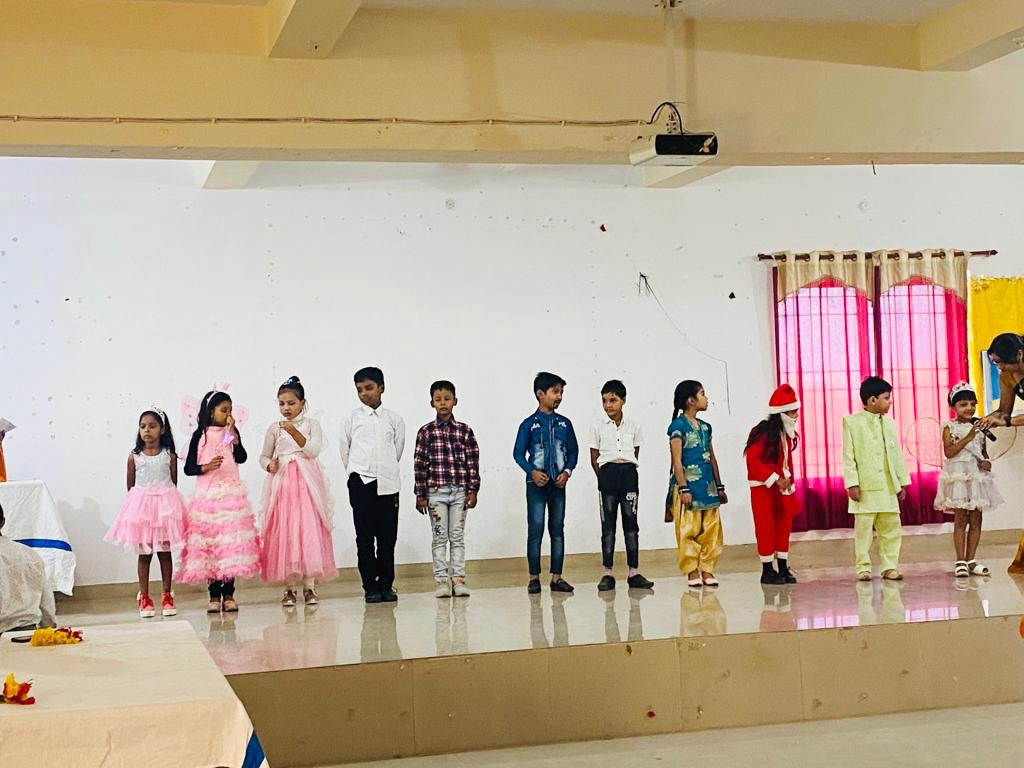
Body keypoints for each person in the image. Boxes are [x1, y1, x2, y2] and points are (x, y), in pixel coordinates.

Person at [179, 390, 261, 612]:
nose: (228, 414)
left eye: (230, 410)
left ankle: (229, 594)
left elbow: (241, 457)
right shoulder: (201, 435)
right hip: (207, 499)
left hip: (230, 498)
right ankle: (214, 594)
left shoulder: (228, 433)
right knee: (211, 546)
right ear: (210, 411)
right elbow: (189, 468)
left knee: (229, 546)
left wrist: (234, 437)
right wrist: (206, 467)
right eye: (224, 410)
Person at [259, 376, 336, 607]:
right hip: (283, 486)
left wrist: (294, 433)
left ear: (302, 403)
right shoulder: (274, 428)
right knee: (287, 532)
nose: (286, 408)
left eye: (291, 403)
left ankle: (309, 586)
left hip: (307, 484)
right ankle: (289, 588)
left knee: (307, 531)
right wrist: (269, 465)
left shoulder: (311, 425)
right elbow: (264, 456)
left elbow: (313, 450)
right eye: (282, 403)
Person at [104, 408, 186, 618]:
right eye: (142, 426)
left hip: (165, 509)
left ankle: (167, 594)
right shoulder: (135, 457)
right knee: (144, 555)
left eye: (152, 426)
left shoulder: (169, 455)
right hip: (142, 511)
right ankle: (145, 596)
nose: (147, 430)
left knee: (165, 553)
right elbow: (131, 486)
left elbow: (173, 483)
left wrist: (165, 503)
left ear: (162, 429)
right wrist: (140, 506)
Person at [340, 367, 406, 604]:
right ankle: (370, 586)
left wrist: (383, 471)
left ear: (381, 388)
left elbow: (397, 450)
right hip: (361, 483)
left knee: (388, 539)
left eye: (369, 388)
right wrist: (357, 474)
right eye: (359, 389)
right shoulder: (351, 419)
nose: (364, 393)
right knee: (365, 538)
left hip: (388, 484)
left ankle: (386, 585)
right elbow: (345, 450)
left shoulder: (394, 420)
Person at [413, 380, 481, 598]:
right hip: (436, 493)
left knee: (457, 536)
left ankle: (458, 579)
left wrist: (473, 490)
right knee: (440, 536)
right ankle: (441, 580)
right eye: (438, 399)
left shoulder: (464, 431)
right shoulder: (426, 432)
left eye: (447, 399)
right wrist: (421, 494)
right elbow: (419, 464)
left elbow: (472, 462)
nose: (443, 403)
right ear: (431, 403)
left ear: (455, 401)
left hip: (460, 492)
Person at [513, 372, 578, 594]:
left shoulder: (565, 424)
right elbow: (518, 453)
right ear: (540, 394)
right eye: (555, 392)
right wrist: (532, 472)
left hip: (558, 486)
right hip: (536, 486)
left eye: (561, 392)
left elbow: (573, 452)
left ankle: (557, 578)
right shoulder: (528, 424)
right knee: (536, 529)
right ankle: (533, 577)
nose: (559, 396)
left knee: (557, 529)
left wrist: (567, 472)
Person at [843, 376, 911, 582]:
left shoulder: (890, 424)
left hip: (888, 487)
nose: (890, 402)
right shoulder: (852, 422)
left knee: (891, 529)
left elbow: (896, 454)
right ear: (872, 400)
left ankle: (889, 567)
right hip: (865, 487)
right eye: (886, 398)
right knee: (863, 532)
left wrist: (901, 482)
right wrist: (852, 483)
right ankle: (863, 568)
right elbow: (848, 456)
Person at [588, 379, 653, 591]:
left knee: (631, 524)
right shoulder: (597, 427)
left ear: (623, 400)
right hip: (607, 475)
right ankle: (607, 573)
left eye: (613, 400)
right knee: (608, 526)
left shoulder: (634, 426)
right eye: (604, 401)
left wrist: (626, 469)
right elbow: (594, 457)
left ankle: (634, 572)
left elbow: (635, 452)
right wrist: (603, 477)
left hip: (628, 476)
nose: (608, 405)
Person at [934, 382, 1002, 578]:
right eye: (963, 404)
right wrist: (968, 436)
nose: (969, 408)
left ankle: (971, 559)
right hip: (959, 477)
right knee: (961, 518)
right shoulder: (949, 427)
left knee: (977, 518)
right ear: (953, 406)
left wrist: (986, 462)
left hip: (976, 477)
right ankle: (960, 560)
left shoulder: (980, 426)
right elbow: (949, 452)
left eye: (973, 404)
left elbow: (983, 453)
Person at [666, 380, 728, 588]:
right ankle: (692, 570)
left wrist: (719, 486)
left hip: (708, 487)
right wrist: (683, 488)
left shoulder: (706, 427)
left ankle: (708, 568)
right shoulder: (678, 426)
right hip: (688, 488)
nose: (706, 398)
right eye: (702, 393)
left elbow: (712, 458)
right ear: (691, 400)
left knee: (711, 530)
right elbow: (676, 461)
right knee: (688, 529)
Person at [976, 332, 1024, 573]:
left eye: (1003, 362)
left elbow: (1009, 420)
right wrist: (988, 419)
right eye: (995, 363)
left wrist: (1006, 422)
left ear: (1019, 354)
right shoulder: (1006, 375)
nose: (1000, 368)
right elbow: (1004, 411)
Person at [745, 384, 801, 585]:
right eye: (792, 411)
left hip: (782, 487)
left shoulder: (786, 434)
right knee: (765, 526)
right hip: (764, 487)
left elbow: (786, 462)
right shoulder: (761, 432)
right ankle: (767, 570)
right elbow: (753, 461)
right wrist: (774, 478)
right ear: (782, 412)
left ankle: (783, 567)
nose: (796, 415)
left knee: (783, 526)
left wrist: (788, 482)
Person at [0, 502, 56, 635]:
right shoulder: (29, 553)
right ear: (2, 522)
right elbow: (46, 603)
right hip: (26, 632)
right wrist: (49, 630)